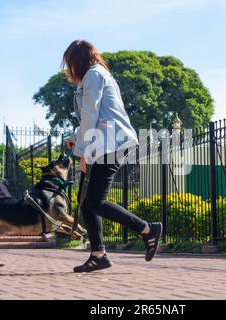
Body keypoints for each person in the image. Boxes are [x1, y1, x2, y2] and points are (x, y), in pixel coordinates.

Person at [63, 40, 162, 273]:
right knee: (87, 202)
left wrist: (84, 151)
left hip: (109, 143)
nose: (68, 69)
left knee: (95, 201)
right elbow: (98, 115)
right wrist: (76, 138)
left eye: (69, 63)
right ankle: (98, 255)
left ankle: (147, 229)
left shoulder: (93, 76)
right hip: (104, 141)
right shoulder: (98, 75)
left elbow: (91, 114)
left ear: (77, 61)